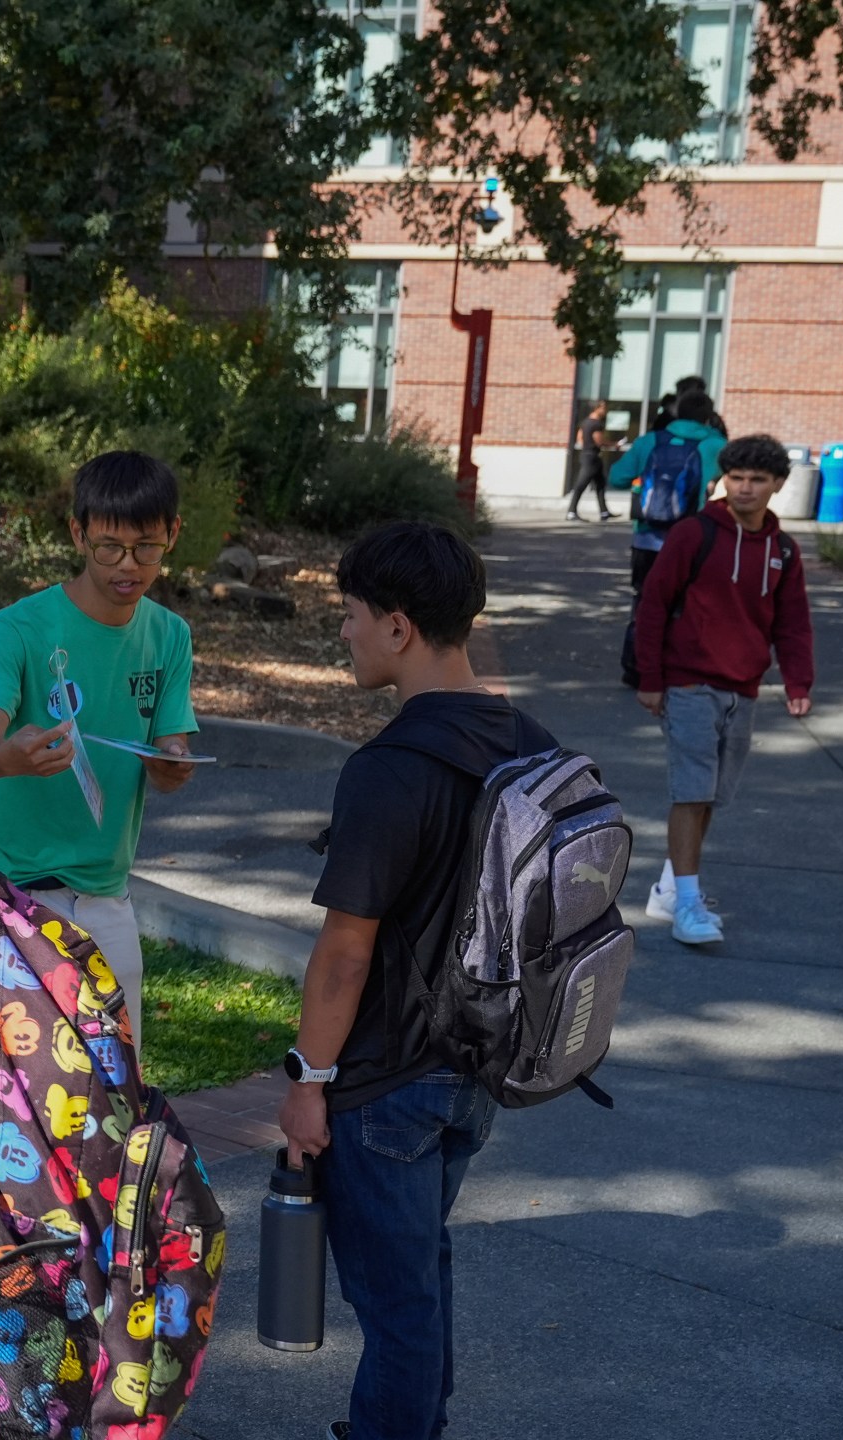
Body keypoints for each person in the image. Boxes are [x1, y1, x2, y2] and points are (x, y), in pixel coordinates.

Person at [277, 520, 554, 1440]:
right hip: (478, 1064)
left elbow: (344, 954)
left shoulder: (391, 769)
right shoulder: (528, 741)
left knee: (395, 1308)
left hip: (387, 1081)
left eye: (350, 615)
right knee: (420, 1281)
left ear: (398, 626)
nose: (344, 633)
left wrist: (307, 1084)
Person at [0, 450, 199, 1050]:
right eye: (109, 547)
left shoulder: (170, 635)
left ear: (173, 534)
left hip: (107, 897)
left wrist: (172, 763)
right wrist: (5, 756)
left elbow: (173, 748)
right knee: (14, 1091)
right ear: (78, 533)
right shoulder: (16, 628)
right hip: (13, 894)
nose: (129, 565)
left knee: (119, 1088)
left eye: (147, 547)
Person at [633, 434, 814, 947]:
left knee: (710, 796)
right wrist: (651, 678)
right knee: (690, 792)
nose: (745, 488)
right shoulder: (695, 534)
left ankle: (671, 888)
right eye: (736, 478)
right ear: (724, 480)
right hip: (689, 682)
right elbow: (652, 605)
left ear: (778, 484)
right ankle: (688, 905)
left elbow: (793, 622)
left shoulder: (782, 549)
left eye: (757, 480)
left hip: (744, 689)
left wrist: (798, 681)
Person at [611, 388, 728, 590]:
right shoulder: (718, 445)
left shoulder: (648, 441)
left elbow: (616, 478)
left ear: (677, 413)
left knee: (645, 600)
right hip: (697, 538)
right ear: (708, 417)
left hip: (648, 537)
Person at [566, 400, 617, 522]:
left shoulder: (585, 422)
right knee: (581, 485)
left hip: (587, 455)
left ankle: (604, 512)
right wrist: (615, 444)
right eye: (604, 408)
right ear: (597, 408)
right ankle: (571, 512)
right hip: (592, 458)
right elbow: (599, 441)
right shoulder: (596, 424)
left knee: (600, 485)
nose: (605, 410)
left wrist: (587, 446)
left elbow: (579, 438)